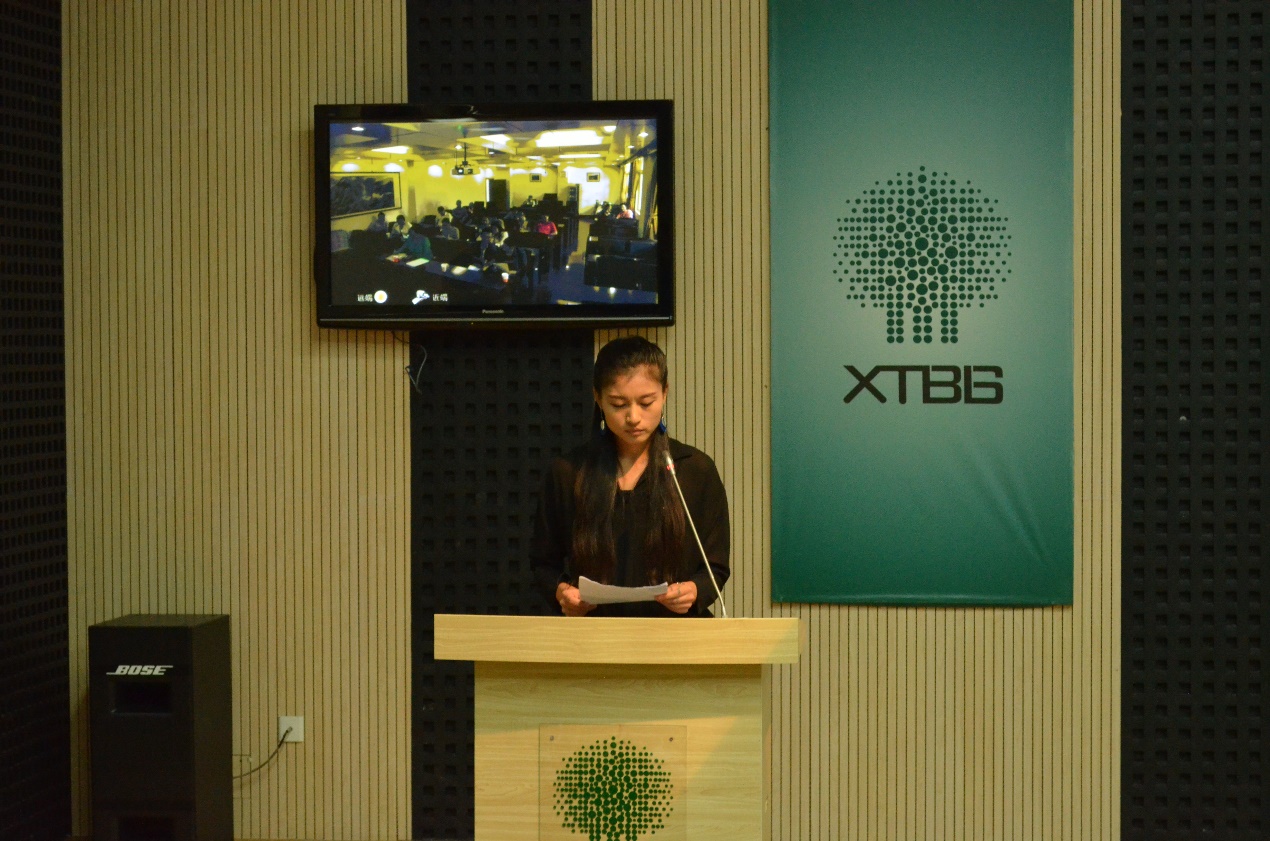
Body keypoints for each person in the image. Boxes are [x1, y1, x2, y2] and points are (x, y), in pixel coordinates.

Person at [531, 336, 730, 617]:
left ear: (664, 393)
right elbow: (543, 563)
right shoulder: (568, 472)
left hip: (675, 631)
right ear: (598, 398)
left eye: (646, 402)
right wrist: (561, 592)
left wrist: (695, 590)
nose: (633, 417)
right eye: (618, 404)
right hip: (594, 632)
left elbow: (715, 566)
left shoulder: (694, 470)